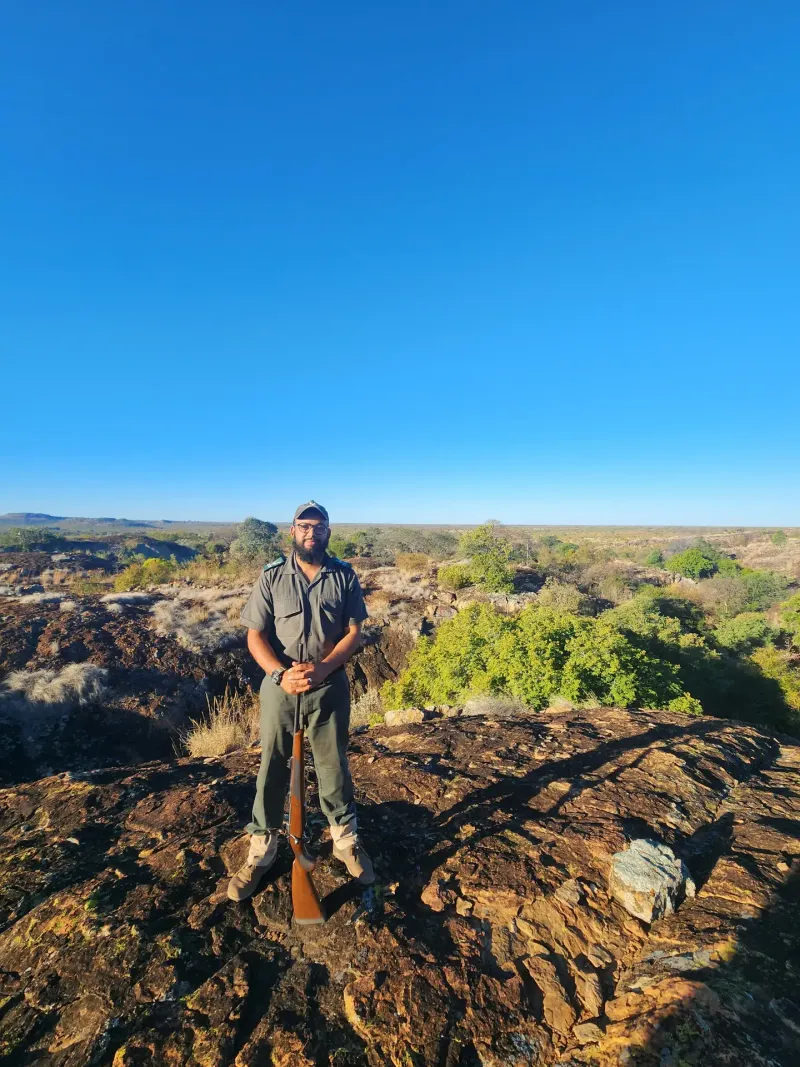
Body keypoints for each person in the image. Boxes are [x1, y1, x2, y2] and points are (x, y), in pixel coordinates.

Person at [227, 500, 375, 901]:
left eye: (319, 526)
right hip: (281, 685)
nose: (312, 532)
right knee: (272, 763)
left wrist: (323, 669)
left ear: (329, 531)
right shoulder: (272, 577)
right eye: (304, 525)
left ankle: (345, 841)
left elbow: (354, 632)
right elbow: (254, 635)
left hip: (328, 685)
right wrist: (279, 674)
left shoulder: (344, 576)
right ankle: (262, 849)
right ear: (291, 531)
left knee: (332, 763)